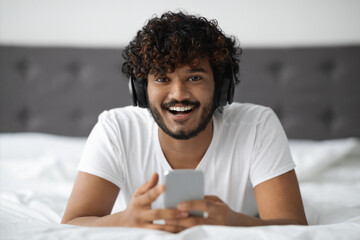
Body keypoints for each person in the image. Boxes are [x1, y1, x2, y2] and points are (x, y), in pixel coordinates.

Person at [61, 11, 308, 232]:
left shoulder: (257, 125)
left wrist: (233, 222)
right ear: (141, 89)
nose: (178, 94)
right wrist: (125, 220)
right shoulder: (116, 129)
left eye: (194, 77)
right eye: (161, 79)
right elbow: (73, 224)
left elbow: (295, 228)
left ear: (221, 87)